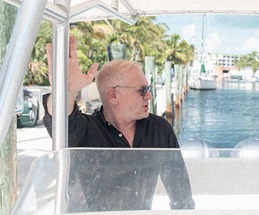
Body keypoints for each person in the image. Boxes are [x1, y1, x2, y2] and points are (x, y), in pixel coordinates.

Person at [42, 36, 195, 211]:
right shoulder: (84, 131)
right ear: (113, 95)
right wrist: (65, 90)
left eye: (149, 89)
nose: (149, 96)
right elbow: (59, 120)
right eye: (142, 90)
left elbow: (180, 189)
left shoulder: (159, 128)